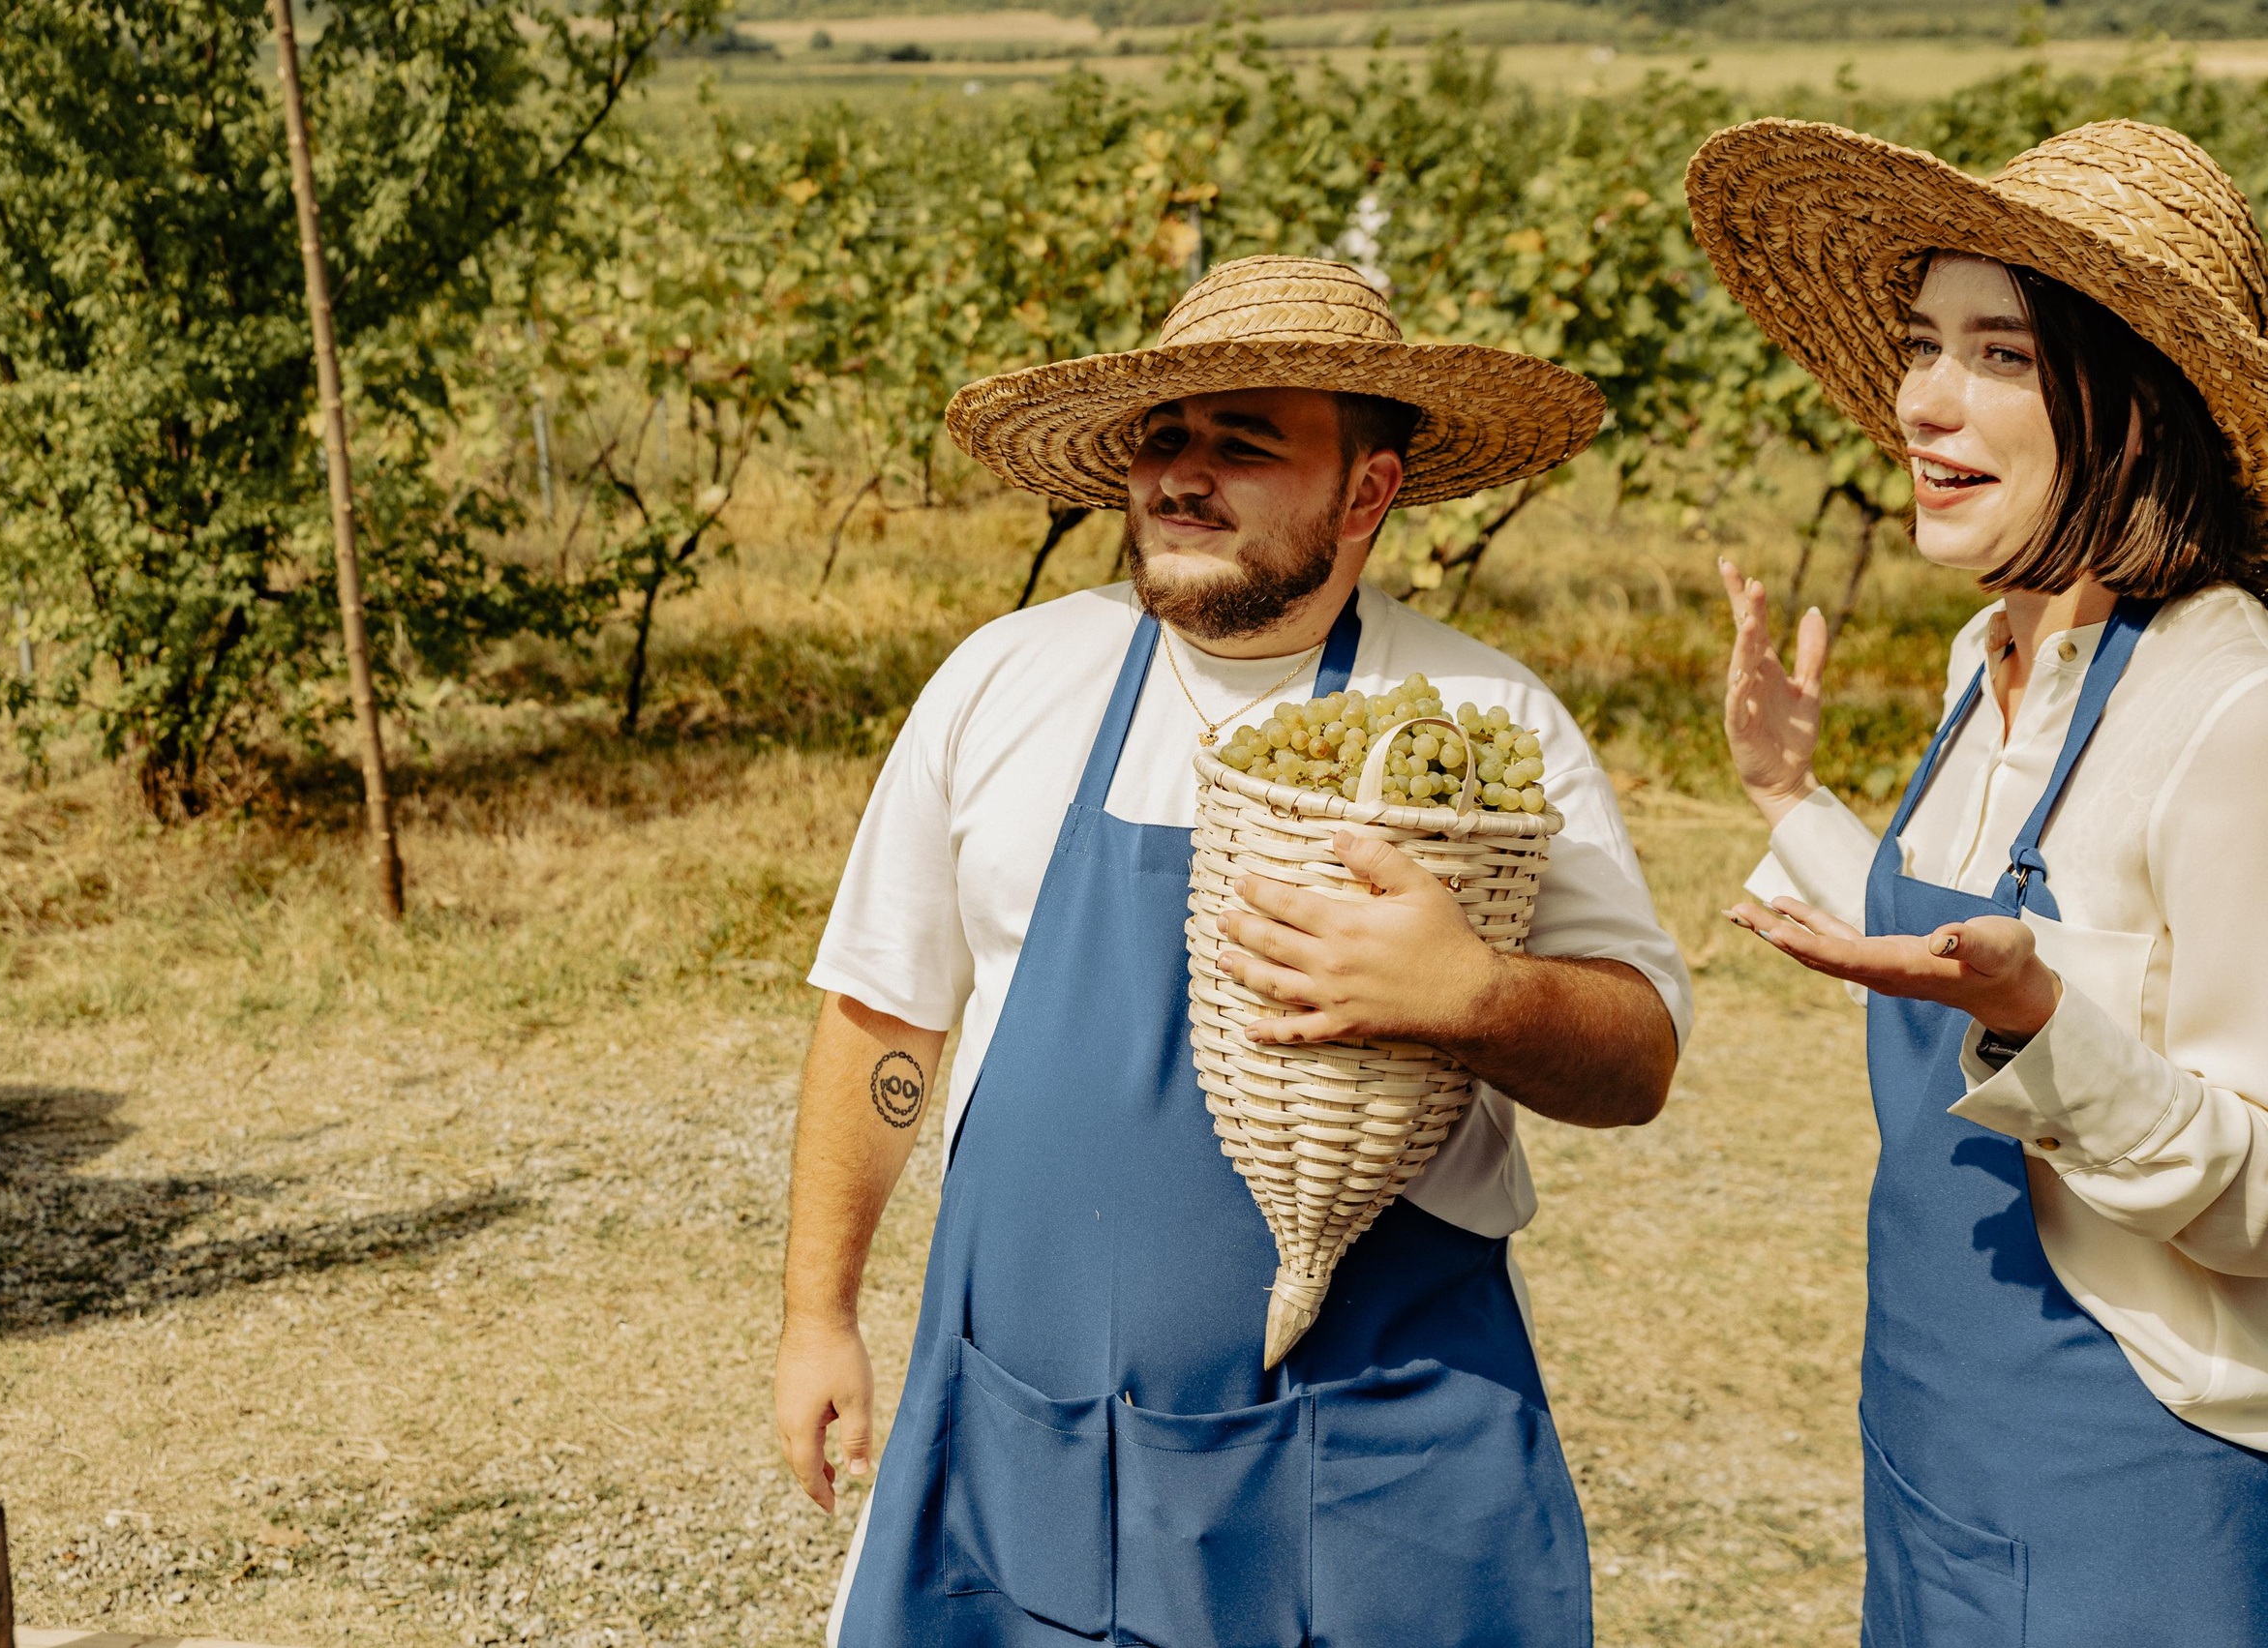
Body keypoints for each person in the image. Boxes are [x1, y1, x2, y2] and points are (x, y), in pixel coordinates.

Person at [773, 253, 1690, 1647]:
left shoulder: (1475, 723)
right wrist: (819, 1313)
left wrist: (1480, 998)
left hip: (1357, 1459)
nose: (1183, 476)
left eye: (1245, 444)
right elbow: (885, 1019)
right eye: (1166, 436)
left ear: (1368, 494)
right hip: (1037, 1431)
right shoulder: (1005, 682)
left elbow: (1638, 1056)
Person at [1689, 118, 2268, 1644]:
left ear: (2138, 407)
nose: (1923, 402)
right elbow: (1961, 939)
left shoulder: (2232, 710)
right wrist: (1787, 797)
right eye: (1922, 343)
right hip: (1931, 1433)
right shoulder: (1986, 650)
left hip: (2130, 1475)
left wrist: (2043, 1032)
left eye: (2001, 355)